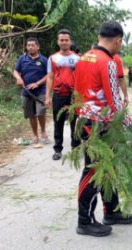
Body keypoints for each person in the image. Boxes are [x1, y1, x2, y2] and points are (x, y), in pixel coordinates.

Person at [74, 21, 132, 237]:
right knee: (93, 171)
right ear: (118, 40)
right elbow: (115, 100)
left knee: (109, 169)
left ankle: (112, 211)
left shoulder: (83, 57)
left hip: (86, 119)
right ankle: (85, 221)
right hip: (98, 126)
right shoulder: (108, 62)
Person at [45, 29, 81, 160]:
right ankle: (58, 149)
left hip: (74, 96)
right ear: (58, 41)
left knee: (75, 122)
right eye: (61, 40)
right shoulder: (52, 58)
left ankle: (75, 149)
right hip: (58, 95)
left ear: (70, 41)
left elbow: (81, 78)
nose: (64, 42)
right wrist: (47, 96)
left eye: (66, 40)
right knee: (58, 122)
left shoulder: (77, 59)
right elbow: (50, 77)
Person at [13, 37, 49, 144]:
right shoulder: (22, 59)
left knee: (40, 113)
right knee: (31, 115)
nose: (30, 47)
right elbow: (15, 71)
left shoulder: (44, 60)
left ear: (38, 46)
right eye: (28, 45)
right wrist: (18, 78)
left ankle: (43, 131)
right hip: (26, 92)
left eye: (32, 45)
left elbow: (49, 75)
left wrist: (37, 83)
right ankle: (35, 135)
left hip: (40, 91)